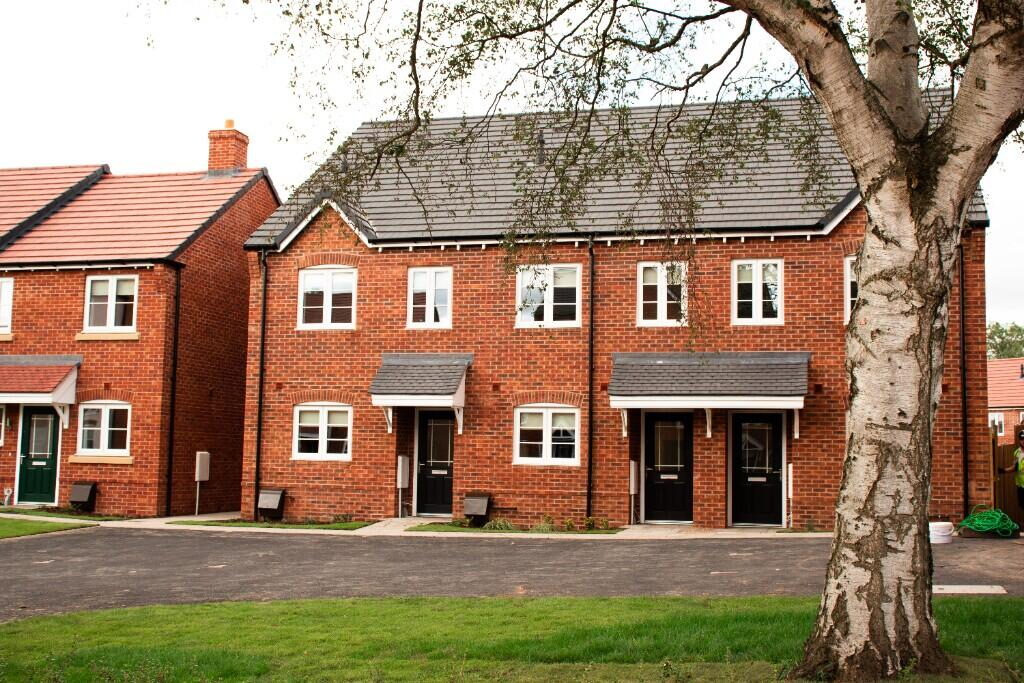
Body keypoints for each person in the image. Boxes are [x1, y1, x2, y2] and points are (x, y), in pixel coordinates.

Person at [998, 428, 1024, 509]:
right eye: (1021, 439)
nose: (1023, 441)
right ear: (1019, 440)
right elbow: (1015, 467)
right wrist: (1003, 470)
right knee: (1023, 506)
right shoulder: (1017, 452)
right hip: (1020, 484)